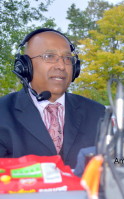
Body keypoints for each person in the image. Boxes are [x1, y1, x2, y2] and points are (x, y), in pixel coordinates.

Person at [0, 28, 106, 168]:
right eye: (49, 56)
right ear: (25, 66)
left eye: (67, 58)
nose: (61, 66)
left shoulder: (97, 112)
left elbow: (116, 163)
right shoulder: (3, 112)